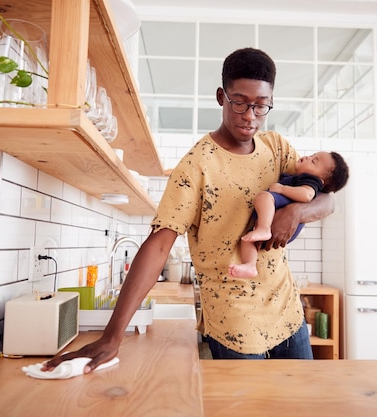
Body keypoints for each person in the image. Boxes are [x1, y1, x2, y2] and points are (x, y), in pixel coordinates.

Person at [42, 47, 335, 371]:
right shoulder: (196, 166)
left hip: (288, 315)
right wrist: (112, 336)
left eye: (261, 105)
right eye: (240, 102)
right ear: (221, 96)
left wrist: (296, 213)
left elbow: (327, 198)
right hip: (235, 326)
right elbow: (158, 245)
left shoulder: (276, 147)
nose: (250, 115)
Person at [229, 151, 349, 278]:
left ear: (320, 180)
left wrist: (283, 192)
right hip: (276, 221)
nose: (308, 157)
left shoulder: (310, 180)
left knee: (265, 197)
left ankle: (263, 228)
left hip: (282, 216)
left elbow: (308, 195)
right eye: (313, 155)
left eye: (314, 161)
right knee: (248, 240)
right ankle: (250, 265)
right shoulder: (298, 177)